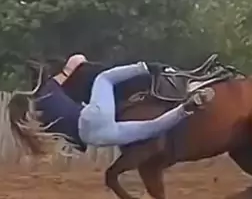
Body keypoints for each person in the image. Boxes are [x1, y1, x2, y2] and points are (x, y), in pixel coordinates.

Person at [34, 54, 214, 151]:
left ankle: (185, 109)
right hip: (90, 117)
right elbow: (65, 74)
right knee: (104, 78)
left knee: (151, 127)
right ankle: (146, 67)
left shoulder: (42, 115)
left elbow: (79, 146)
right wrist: (72, 64)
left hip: (95, 137)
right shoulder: (48, 89)